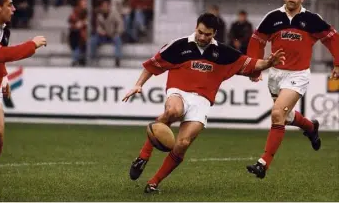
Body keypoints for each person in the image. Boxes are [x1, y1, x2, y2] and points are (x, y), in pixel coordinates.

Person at [122, 13, 286, 193]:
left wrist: (269, 63)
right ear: (196, 27)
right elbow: (152, 65)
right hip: (179, 92)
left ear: (214, 33)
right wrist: (138, 85)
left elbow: (252, 64)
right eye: (200, 32)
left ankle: (154, 182)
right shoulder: (179, 45)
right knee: (173, 111)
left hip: (202, 101)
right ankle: (143, 156)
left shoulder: (224, 53)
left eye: (207, 34)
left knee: (183, 143)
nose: (202, 37)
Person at [245, 0, 339, 179]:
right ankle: (310, 127)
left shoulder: (312, 19)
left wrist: (337, 63)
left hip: (298, 75)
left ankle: (263, 163)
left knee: (277, 113)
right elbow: (257, 40)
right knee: (285, 117)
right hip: (276, 75)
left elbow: (332, 38)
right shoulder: (272, 18)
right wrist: (255, 67)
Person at [0, 0, 47, 200]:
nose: (14, 9)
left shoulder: (4, 29)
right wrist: (32, 44)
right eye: (10, 5)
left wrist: (3, 76)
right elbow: (1, 53)